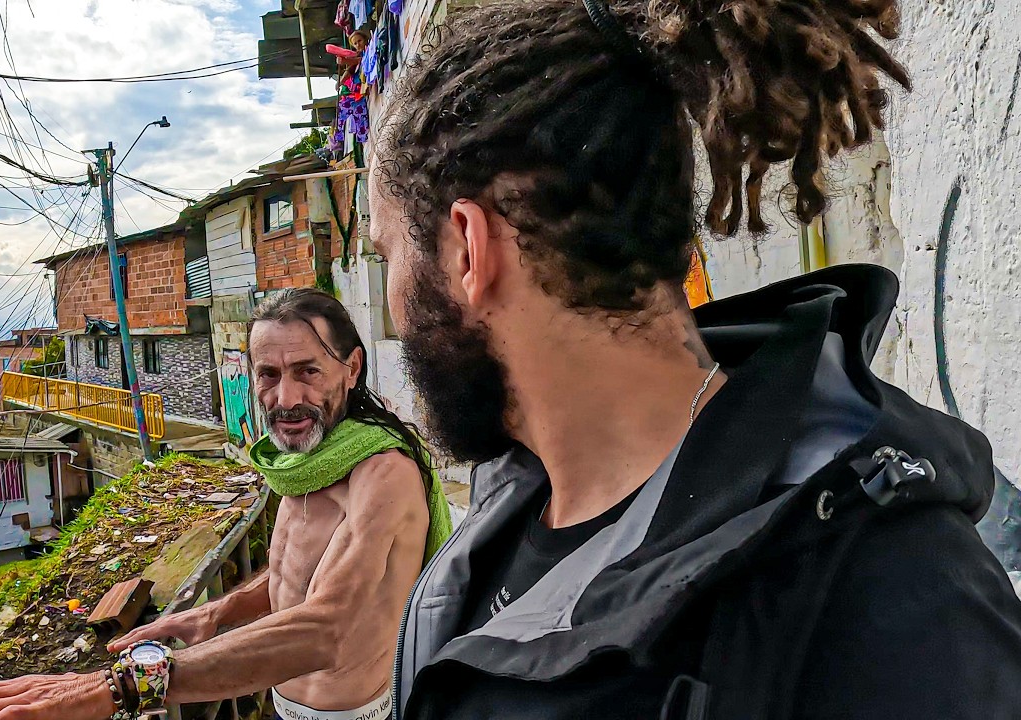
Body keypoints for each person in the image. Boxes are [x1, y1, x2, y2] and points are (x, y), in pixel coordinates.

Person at [368, 0, 1021, 718]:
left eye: (388, 254)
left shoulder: (893, 599)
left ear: (467, 248)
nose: (394, 312)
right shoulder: (506, 507)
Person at [0, 289, 451, 720]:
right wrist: (216, 612)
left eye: (308, 372)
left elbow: (327, 629)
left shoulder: (384, 474)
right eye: (268, 374)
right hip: (286, 705)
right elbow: (299, 573)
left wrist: (113, 689)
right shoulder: (306, 464)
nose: (285, 397)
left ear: (352, 368)